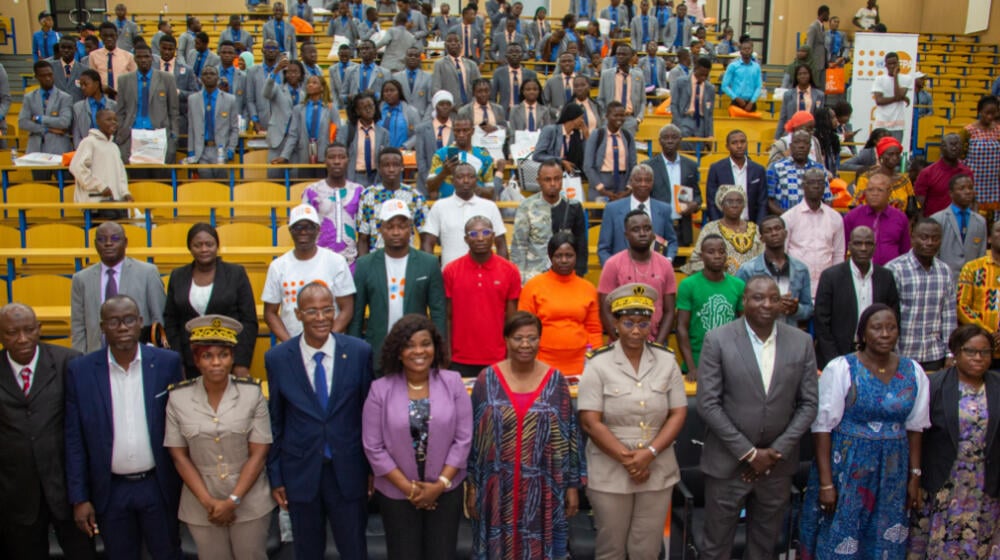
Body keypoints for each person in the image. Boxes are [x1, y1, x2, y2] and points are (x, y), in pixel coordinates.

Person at [697, 275, 819, 559]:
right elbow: (708, 404)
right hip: (727, 465)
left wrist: (774, 452)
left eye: (774, 298)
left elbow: (809, 404)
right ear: (744, 302)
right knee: (715, 548)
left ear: (782, 304)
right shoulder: (718, 339)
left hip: (776, 468)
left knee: (764, 549)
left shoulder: (801, 342)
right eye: (758, 297)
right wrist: (749, 453)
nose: (766, 304)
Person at [799, 303, 929, 559]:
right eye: (877, 328)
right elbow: (822, 428)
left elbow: (915, 427)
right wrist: (826, 482)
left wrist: (914, 476)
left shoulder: (913, 371)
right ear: (863, 334)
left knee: (886, 537)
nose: (884, 334)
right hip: (847, 469)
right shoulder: (842, 368)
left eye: (891, 328)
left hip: (893, 469)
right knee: (841, 535)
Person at [65, 295, 184, 560]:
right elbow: (74, 440)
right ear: (102, 326)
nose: (122, 327)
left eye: (129, 319)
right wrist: (79, 497)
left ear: (141, 322)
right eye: (114, 321)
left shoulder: (167, 363)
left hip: (158, 485)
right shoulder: (80, 371)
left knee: (168, 554)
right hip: (110, 489)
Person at [265, 282, 373, 560]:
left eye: (328, 310)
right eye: (312, 311)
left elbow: (368, 417)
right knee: (307, 551)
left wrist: (371, 469)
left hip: (349, 472)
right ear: (298, 314)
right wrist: (276, 475)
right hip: (300, 473)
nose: (322, 317)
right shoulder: (277, 358)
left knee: (354, 550)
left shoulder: (359, 352)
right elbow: (276, 421)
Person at [578, 283, 687, 559]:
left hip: (657, 468)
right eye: (628, 322)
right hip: (610, 470)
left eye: (643, 322)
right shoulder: (597, 364)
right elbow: (591, 422)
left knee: (646, 549)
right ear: (615, 323)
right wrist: (630, 460)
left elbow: (678, 413)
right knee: (611, 549)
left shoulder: (666, 361)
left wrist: (648, 455)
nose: (636, 330)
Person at [468, 311, 583, 559]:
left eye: (532, 338)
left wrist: (572, 486)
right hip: (497, 489)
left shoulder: (556, 381)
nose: (525, 345)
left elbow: (570, 437)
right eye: (518, 338)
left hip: (545, 488)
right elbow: (474, 440)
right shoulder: (486, 380)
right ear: (506, 340)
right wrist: (473, 486)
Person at [360, 315, 471, 559]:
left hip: (446, 487)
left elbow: (463, 439)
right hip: (396, 490)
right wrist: (410, 490)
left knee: (442, 553)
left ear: (435, 347)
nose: (418, 351)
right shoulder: (380, 389)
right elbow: (373, 447)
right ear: (398, 352)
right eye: (409, 345)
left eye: (425, 343)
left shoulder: (453, 383)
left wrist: (439, 485)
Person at [164, 315, 273, 560]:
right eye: (207, 356)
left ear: (232, 357)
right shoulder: (178, 398)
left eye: (223, 355)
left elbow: (259, 453)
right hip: (201, 503)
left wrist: (232, 501)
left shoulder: (251, 394)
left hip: (249, 500)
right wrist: (210, 502)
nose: (216, 363)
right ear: (196, 360)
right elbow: (179, 457)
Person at [0, 303, 96, 560]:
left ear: (39, 329)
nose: (22, 339)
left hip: (67, 491)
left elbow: (87, 431)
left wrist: (85, 492)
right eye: (12, 332)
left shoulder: (70, 362)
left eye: (29, 330)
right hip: (16, 497)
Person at [910, 324, 1000, 558]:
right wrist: (915, 476)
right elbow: (918, 432)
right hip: (944, 482)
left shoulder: (997, 386)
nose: (978, 358)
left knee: (979, 544)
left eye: (985, 352)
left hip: (984, 484)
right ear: (956, 353)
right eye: (971, 351)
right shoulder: (936, 384)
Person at [350, 199, 446, 372]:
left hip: (418, 351)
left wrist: (440, 353)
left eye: (401, 226)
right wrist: (353, 353)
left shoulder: (429, 263)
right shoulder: (365, 264)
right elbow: (357, 315)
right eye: (390, 226)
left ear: (410, 229)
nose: (396, 232)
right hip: (379, 349)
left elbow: (438, 312)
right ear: (381, 229)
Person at [163, 223, 258, 378]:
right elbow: (171, 321)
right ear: (190, 248)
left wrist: (241, 362)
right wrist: (178, 360)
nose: (204, 249)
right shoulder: (177, 276)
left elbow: (249, 320)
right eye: (197, 245)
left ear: (217, 246)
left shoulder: (236, 274)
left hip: (228, 359)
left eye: (209, 244)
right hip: (190, 360)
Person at [441, 216, 521, 378]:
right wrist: (447, 353)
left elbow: (512, 320)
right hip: (459, 359)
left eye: (486, 232)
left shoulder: (510, 271)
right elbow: (447, 317)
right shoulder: (451, 271)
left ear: (493, 236)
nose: (480, 238)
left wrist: (511, 354)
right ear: (465, 239)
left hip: (498, 358)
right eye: (473, 233)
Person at [262, 204, 356, 342]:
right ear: (290, 231)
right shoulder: (278, 266)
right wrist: (290, 344)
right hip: (293, 346)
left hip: (331, 344)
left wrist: (327, 339)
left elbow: (347, 308)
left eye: (309, 227)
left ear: (318, 230)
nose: (303, 232)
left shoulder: (336, 262)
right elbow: (270, 313)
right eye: (298, 227)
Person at [70, 221, 165, 354]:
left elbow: (159, 320)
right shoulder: (81, 279)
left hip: (139, 354)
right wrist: (79, 358)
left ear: (125, 242)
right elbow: (78, 326)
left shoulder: (147, 273)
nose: (108, 243)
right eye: (102, 239)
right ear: (95, 244)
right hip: (96, 355)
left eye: (115, 238)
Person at [814, 226, 901, 368]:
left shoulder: (885, 276)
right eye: (858, 243)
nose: (863, 248)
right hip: (837, 355)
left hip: (875, 354)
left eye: (868, 243)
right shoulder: (831, 276)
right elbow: (821, 322)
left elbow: (894, 316)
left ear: (874, 246)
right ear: (849, 246)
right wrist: (835, 361)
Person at [518, 233, 602, 376]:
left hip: (581, 363)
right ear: (550, 257)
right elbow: (523, 330)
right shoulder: (533, 286)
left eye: (569, 255)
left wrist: (594, 362)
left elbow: (594, 330)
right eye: (558, 256)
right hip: (542, 362)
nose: (564, 260)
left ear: (576, 256)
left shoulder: (588, 288)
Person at [886, 219, 957, 372]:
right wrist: (890, 353)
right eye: (924, 237)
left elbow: (949, 316)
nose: (929, 242)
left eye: (935, 238)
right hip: (903, 354)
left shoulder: (945, 271)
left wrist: (950, 353)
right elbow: (888, 316)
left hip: (935, 355)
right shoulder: (894, 269)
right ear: (912, 237)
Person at [597, 209, 678, 344]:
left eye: (647, 229)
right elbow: (605, 310)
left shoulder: (665, 265)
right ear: (626, 235)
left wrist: (657, 345)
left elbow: (669, 311)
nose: (642, 233)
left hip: (655, 343)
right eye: (636, 229)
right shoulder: (613, 264)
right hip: (620, 343)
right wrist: (622, 343)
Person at [676, 235, 746, 379]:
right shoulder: (688, 285)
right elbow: (681, 327)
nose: (717, 256)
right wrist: (691, 367)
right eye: (711, 252)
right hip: (697, 359)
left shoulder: (738, 285)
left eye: (721, 252)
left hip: (730, 360)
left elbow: (745, 325)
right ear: (702, 256)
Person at [511, 160, 588, 282]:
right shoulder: (526, 206)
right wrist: (519, 279)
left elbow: (581, 245)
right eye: (547, 179)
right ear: (539, 181)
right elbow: (519, 246)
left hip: (565, 276)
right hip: (534, 275)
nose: (553, 183)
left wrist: (578, 275)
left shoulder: (574, 206)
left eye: (557, 179)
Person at [421, 163, 508, 268]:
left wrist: (502, 271)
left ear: (476, 180)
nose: (466, 181)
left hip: (485, 275)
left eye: (471, 177)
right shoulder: (440, 206)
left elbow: (501, 244)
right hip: (450, 276)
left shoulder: (490, 207)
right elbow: (427, 243)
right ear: (453, 181)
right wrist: (432, 273)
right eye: (460, 177)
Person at [736, 215, 814, 325]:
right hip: (757, 332)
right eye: (768, 231)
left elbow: (808, 309)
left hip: (788, 333)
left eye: (778, 228)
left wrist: (795, 309)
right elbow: (738, 308)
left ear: (785, 233)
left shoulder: (800, 269)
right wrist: (772, 305)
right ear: (761, 238)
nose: (774, 233)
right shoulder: (748, 270)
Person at [598, 164, 679, 264]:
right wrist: (613, 270)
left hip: (654, 271)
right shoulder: (612, 209)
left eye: (647, 180)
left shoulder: (664, 209)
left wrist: (667, 260)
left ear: (653, 183)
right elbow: (604, 249)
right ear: (631, 182)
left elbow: (671, 241)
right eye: (638, 180)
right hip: (621, 272)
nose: (643, 184)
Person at [114, 43, 180, 166]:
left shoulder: (166, 78)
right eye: (139, 57)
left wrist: (173, 137)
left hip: (158, 135)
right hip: (132, 135)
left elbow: (174, 110)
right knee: (136, 179)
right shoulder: (124, 80)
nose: (143, 60)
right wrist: (121, 133)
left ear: (152, 58)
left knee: (158, 178)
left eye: (146, 56)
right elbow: (120, 111)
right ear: (135, 59)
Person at [300, 143, 365, 266]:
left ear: (348, 160)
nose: (336, 161)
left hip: (350, 261)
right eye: (332, 157)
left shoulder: (358, 191)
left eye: (341, 157)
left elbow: (363, 232)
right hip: (319, 260)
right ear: (325, 161)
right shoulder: (312, 191)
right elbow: (305, 228)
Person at [783, 167, 845, 296]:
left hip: (826, 286)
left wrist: (837, 285)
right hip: (796, 286)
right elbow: (782, 255)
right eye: (811, 182)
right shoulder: (789, 217)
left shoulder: (835, 218)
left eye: (820, 182)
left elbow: (839, 255)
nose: (816, 186)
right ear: (803, 185)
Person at [357, 147, 428, 256]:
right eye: (386, 165)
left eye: (395, 165)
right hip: (377, 261)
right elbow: (363, 238)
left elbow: (425, 235)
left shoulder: (415, 196)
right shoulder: (368, 195)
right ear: (379, 168)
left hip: (407, 260)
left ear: (402, 167)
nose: (391, 169)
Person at [644, 125, 702, 247]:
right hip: (657, 226)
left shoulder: (690, 165)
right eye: (666, 137)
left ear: (680, 140)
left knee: (680, 264)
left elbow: (697, 196)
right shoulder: (649, 166)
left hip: (682, 226)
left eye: (674, 137)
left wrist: (695, 204)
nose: (670, 141)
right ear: (660, 141)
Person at [685, 185, 764, 275]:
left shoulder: (755, 229)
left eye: (739, 201)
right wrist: (718, 266)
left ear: (744, 205)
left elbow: (763, 258)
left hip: (752, 283)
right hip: (719, 282)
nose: (735, 205)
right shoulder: (710, 228)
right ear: (721, 205)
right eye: (730, 202)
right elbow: (696, 260)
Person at [19, 61, 73, 180]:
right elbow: (23, 122)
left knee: (64, 186)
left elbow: (64, 122)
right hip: (36, 150)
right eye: (43, 76)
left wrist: (39, 118)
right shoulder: (29, 97)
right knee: (42, 186)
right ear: (37, 77)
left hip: (59, 149)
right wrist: (48, 129)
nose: (48, 78)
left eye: (50, 74)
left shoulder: (64, 97)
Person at [425, 115, 501, 200]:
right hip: (447, 207)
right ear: (453, 131)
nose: (461, 134)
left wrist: (471, 184)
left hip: (475, 207)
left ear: (472, 131)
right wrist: (444, 172)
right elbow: (429, 188)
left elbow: (490, 192)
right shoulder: (440, 155)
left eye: (465, 130)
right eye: (458, 131)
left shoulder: (484, 157)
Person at [843, 173, 912, 265]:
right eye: (870, 190)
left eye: (880, 190)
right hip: (859, 273)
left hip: (892, 273)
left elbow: (905, 251)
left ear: (889, 193)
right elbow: (842, 248)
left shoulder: (900, 217)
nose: (874, 194)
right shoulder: (852, 216)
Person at [957, 221, 1000, 366]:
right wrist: (987, 333)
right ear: (989, 238)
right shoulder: (972, 268)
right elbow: (961, 306)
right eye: (998, 231)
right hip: (978, 351)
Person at [69, 108, 131, 207]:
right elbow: (77, 167)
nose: (113, 123)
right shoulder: (89, 142)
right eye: (108, 120)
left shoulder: (114, 147)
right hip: (94, 200)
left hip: (114, 202)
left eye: (115, 120)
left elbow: (121, 174)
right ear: (98, 122)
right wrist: (100, 186)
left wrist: (125, 192)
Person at [186, 66, 239, 179]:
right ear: (201, 78)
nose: (209, 76)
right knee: (206, 185)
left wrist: (231, 148)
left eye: (212, 73)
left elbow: (234, 128)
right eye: (205, 74)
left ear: (218, 78)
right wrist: (191, 151)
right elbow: (191, 128)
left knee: (221, 185)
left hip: (220, 149)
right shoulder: (193, 99)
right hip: (202, 151)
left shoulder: (230, 99)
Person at [706, 130, 769, 224]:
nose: (739, 146)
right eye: (734, 143)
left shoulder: (758, 170)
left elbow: (762, 202)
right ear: (727, 146)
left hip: (751, 224)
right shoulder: (716, 169)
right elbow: (712, 202)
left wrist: (759, 227)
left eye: (742, 142)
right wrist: (718, 226)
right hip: (724, 225)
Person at [932, 174, 987, 281]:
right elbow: (934, 254)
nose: (967, 192)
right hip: (944, 279)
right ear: (951, 193)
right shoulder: (938, 219)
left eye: (970, 188)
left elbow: (981, 255)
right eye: (962, 188)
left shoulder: (980, 222)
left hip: (971, 282)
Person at [584, 102, 637, 201]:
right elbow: (588, 166)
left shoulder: (627, 136)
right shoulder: (597, 134)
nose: (619, 119)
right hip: (601, 183)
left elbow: (633, 164)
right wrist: (601, 189)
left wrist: (628, 188)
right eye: (615, 115)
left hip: (622, 184)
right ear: (607, 116)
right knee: (599, 215)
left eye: (622, 115)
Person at [335, 91, 390, 187]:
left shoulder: (383, 133)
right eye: (364, 107)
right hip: (353, 177)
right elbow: (339, 156)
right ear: (357, 110)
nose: (368, 110)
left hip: (376, 178)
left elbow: (386, 159)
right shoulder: (346, 131)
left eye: (371, 106)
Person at [767, 129, 828, 213]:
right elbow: (768, 200)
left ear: (810, 147)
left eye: (805, 143)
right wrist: (788, 218)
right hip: (785, 222)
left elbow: (827, 199)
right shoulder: (775, 167)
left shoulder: (820, 169)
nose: (801, 146)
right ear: (791, 146)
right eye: (797, 142)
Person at [263, 58, 305, 180]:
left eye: (296, 72)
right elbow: (266, 93)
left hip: (296, 142)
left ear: (301, 75)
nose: (292, 74)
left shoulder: (304, 94)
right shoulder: (277, 89)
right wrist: (275, 71)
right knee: (274, 177)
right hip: (278, 139)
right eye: (289, 71)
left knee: (294, 178)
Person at [292, 75, 341, 179]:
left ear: (322, 87)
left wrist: (335, 153)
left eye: (314, 83)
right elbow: (293, 134)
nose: (310, 85)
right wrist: (284, 155)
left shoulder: (330, 108)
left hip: (324, 154)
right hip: (304, 153)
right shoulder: (299, 109)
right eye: (308, 83)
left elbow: (338, 132)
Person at [960, 95, 1000, 219]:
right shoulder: (968, 131)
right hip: (974, 181)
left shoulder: (999, 130)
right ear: (979, 111)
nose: (990, 117)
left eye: (993, 114)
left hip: (994, 183)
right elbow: (961, 157)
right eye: (987, 113)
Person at [852, 136, 916, 212]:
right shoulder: (866, 178)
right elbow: (857, 206)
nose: (895, 158)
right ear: (881, 155)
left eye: (897, 154)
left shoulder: (904, 180)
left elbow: (912, 208)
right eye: (890, 154)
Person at [409, 91, 455, 195]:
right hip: (427, 185)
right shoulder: (422, 129)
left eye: (448, 104)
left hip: (451, 185)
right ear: (435, 106)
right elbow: (421, 160)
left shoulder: (457, 128)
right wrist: (431, 183)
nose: (445, 107)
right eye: (441, 104)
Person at [915, 133, 973, 217]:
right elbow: (919, 205)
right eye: (951, 145)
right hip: (935, 223)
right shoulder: (927, 173)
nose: (954, 148)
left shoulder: (967, 172)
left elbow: (971, 200)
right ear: (942, 148)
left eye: (957, 145)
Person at [597, 44, 646, 136]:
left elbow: (643, 100)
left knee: (627, 148)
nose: (620, 57)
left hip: (630, 119)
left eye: (623, 54)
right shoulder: (606, 75)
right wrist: (604, 117)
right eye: (618, 54)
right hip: (610, 119)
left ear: (631, 56)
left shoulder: (638, 76)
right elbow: (600, 99)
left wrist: (638, 119)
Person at [670, 57, 715, 147]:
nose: (703, 77)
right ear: (695, 69)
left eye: (706, 75)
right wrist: (678, 123)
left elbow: (709, 114)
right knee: (683, 140)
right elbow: (674, 105)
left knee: (700, 147)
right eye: (701, 74)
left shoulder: (710, 88)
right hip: (685, 118)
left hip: (701, 122)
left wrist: (710, 134)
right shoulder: (681, 82)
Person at [532, 103, 589, 174]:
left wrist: (586, 137)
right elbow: (537, 155)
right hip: (550, 173)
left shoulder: (576, 135)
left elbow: (585, 158)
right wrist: (561, 161)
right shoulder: (550, 131)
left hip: (570, 176)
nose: (582, 121)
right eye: (581, 118)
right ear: (573, 117)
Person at [432, 31, 481, 107]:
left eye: (456, 41)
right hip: (449, 109)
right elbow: (436, 89)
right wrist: (449, 106)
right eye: (449, 41)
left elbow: (478, 87)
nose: (453, 43)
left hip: (470, 108)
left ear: (461, 44)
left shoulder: (472, 65)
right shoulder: (439, 64)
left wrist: (472, 105)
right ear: (445, 45)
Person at [872, 52, 912, 141]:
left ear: (898, 63)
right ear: (885, 65)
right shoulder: (879, 79)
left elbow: (899, 95)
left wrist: (895, 77)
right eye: (889, 64)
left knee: (894, 152)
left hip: (897, 126)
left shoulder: (906, 78)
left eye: (894, 63)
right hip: (881, 124)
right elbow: (879, 101)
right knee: (879, 151)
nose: (892, 66)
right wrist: (901, 98)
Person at [88, 22, 136, 94]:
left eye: (112, 35)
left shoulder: (128, 56)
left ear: (116, 36)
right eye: (105, 36)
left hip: (122, 97)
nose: (109, 38)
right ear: (100, 36)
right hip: (102, 97)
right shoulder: (93, 56)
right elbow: (93, 79)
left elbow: (134, 79)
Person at [721, 36, 762, 113]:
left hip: (751, 103)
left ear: (752, 50)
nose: (747, 51)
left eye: (749, 49)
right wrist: (735, 98)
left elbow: (759, 86)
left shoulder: (756, 67)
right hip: (737, 102)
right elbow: (724, 86)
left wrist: (752, 101)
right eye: (744, 49)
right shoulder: (733, 66)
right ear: (740, 51)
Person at [342, 40, 390, 106]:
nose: (364, 51)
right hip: (355, 110)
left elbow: (389, 96)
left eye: (367, 48)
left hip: (376, 110)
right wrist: (348, 97)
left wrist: (375, 94)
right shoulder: (350, 71)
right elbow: (342, 95)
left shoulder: (385, 73)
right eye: (362, 49)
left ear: (375, 52)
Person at [379, 80, 421, 149]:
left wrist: (405, 146)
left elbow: (418, 134)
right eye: (386, 91)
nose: (389, 93)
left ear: (399, 93)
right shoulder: (376, 111)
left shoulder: (411, 112)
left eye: (392, 90)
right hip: (380, 153)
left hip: (403, 153)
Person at [394, 47, 434, 117]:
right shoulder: (396, 77)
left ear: (420, 59)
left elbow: (430, 102)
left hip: (421, 117)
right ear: (405, 58)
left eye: (416, 56)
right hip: (401, 117)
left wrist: (426, 119)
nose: (413, 58)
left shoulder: (428, 77)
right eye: (410, 55)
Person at [51, 36, 84, 102]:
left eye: (69, 48)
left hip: (76, 108)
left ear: (76, 49)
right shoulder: (51, 68)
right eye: (63, 47)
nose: (66, 50)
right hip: (56, 108)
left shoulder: (84, 70)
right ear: (59, 48)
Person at [807, 6, 829, 88]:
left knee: (822, 87)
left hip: (822, 63)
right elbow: (809, 45)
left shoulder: (822, 27)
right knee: (814, 86)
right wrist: (810, 63)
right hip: (815, 63)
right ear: (823, 14)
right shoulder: (813, 27)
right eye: (828, 14)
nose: (828, 17)